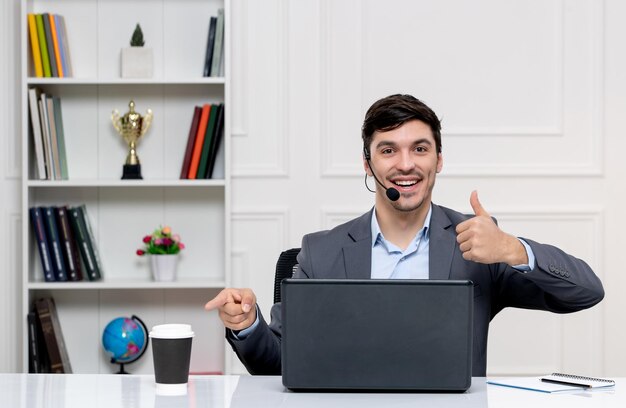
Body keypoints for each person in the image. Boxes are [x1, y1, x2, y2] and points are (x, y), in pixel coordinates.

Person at [204, 94, 604, 376]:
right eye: (388, 150)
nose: (406, 165)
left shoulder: (477, 243)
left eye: (420, 148)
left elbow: (586, 292)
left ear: (439, 160)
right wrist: (247, 324)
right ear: (368, 163)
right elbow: (278, 364)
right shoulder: (320, 252)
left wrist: (514, 250)